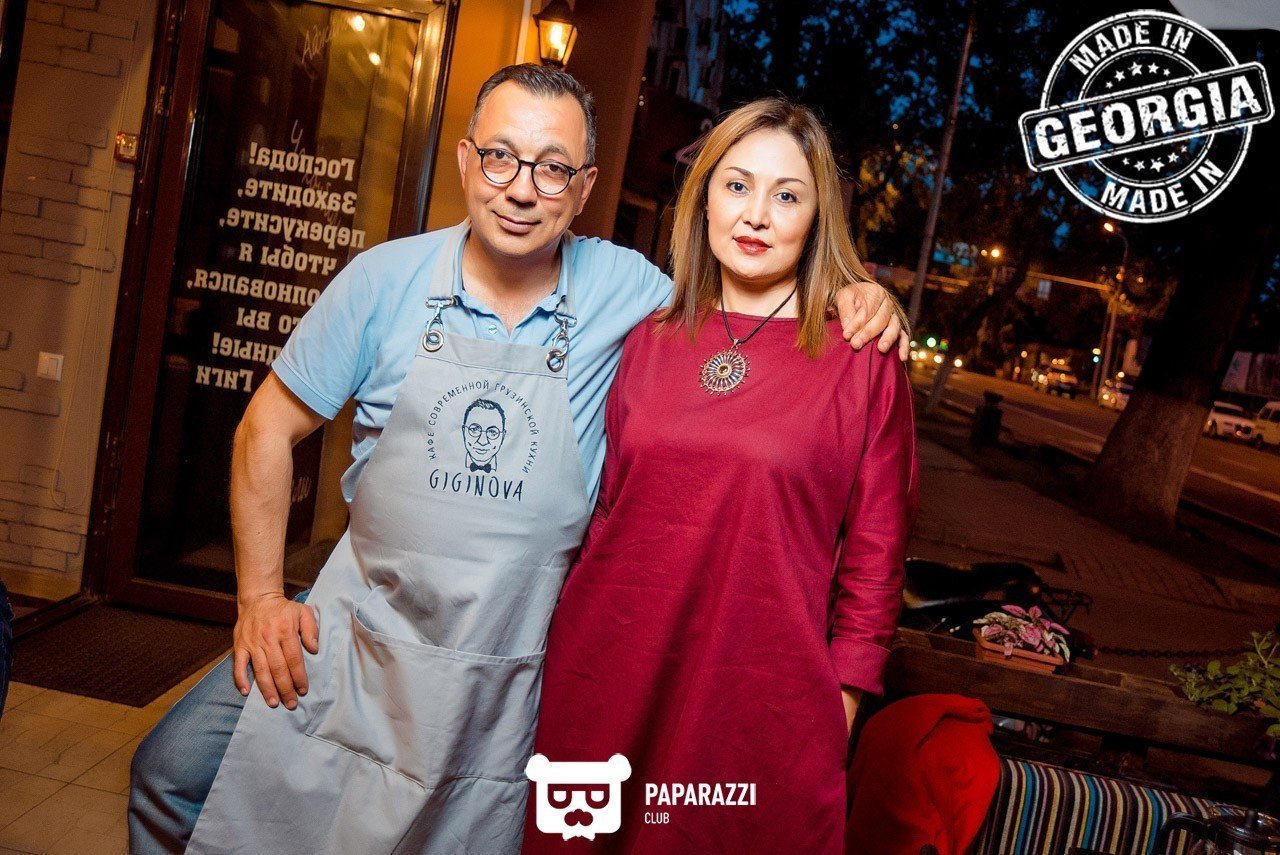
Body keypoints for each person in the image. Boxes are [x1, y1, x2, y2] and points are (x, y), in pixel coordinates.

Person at [128, 66, 908, 855]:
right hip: (364, 627)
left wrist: (857, 292)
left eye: (553, 168)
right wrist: (260, 597)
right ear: (466, 160)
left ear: (585, 186)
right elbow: (263, 430)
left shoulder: (633, 296)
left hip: (510, 652)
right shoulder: (386, 281)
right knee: (172, 772)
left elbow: (754, 319)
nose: (521, 189)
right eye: (500, 156)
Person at [521, 98, 918, 854]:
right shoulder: (647, 338)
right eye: (737, 185)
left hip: (759, 700)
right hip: (608, 675)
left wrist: (838, 706)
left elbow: (876, 560)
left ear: (818, 217)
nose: (756, 214)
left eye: (787, 195)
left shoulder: (861, 358)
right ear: (703, 197)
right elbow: (607, 514)